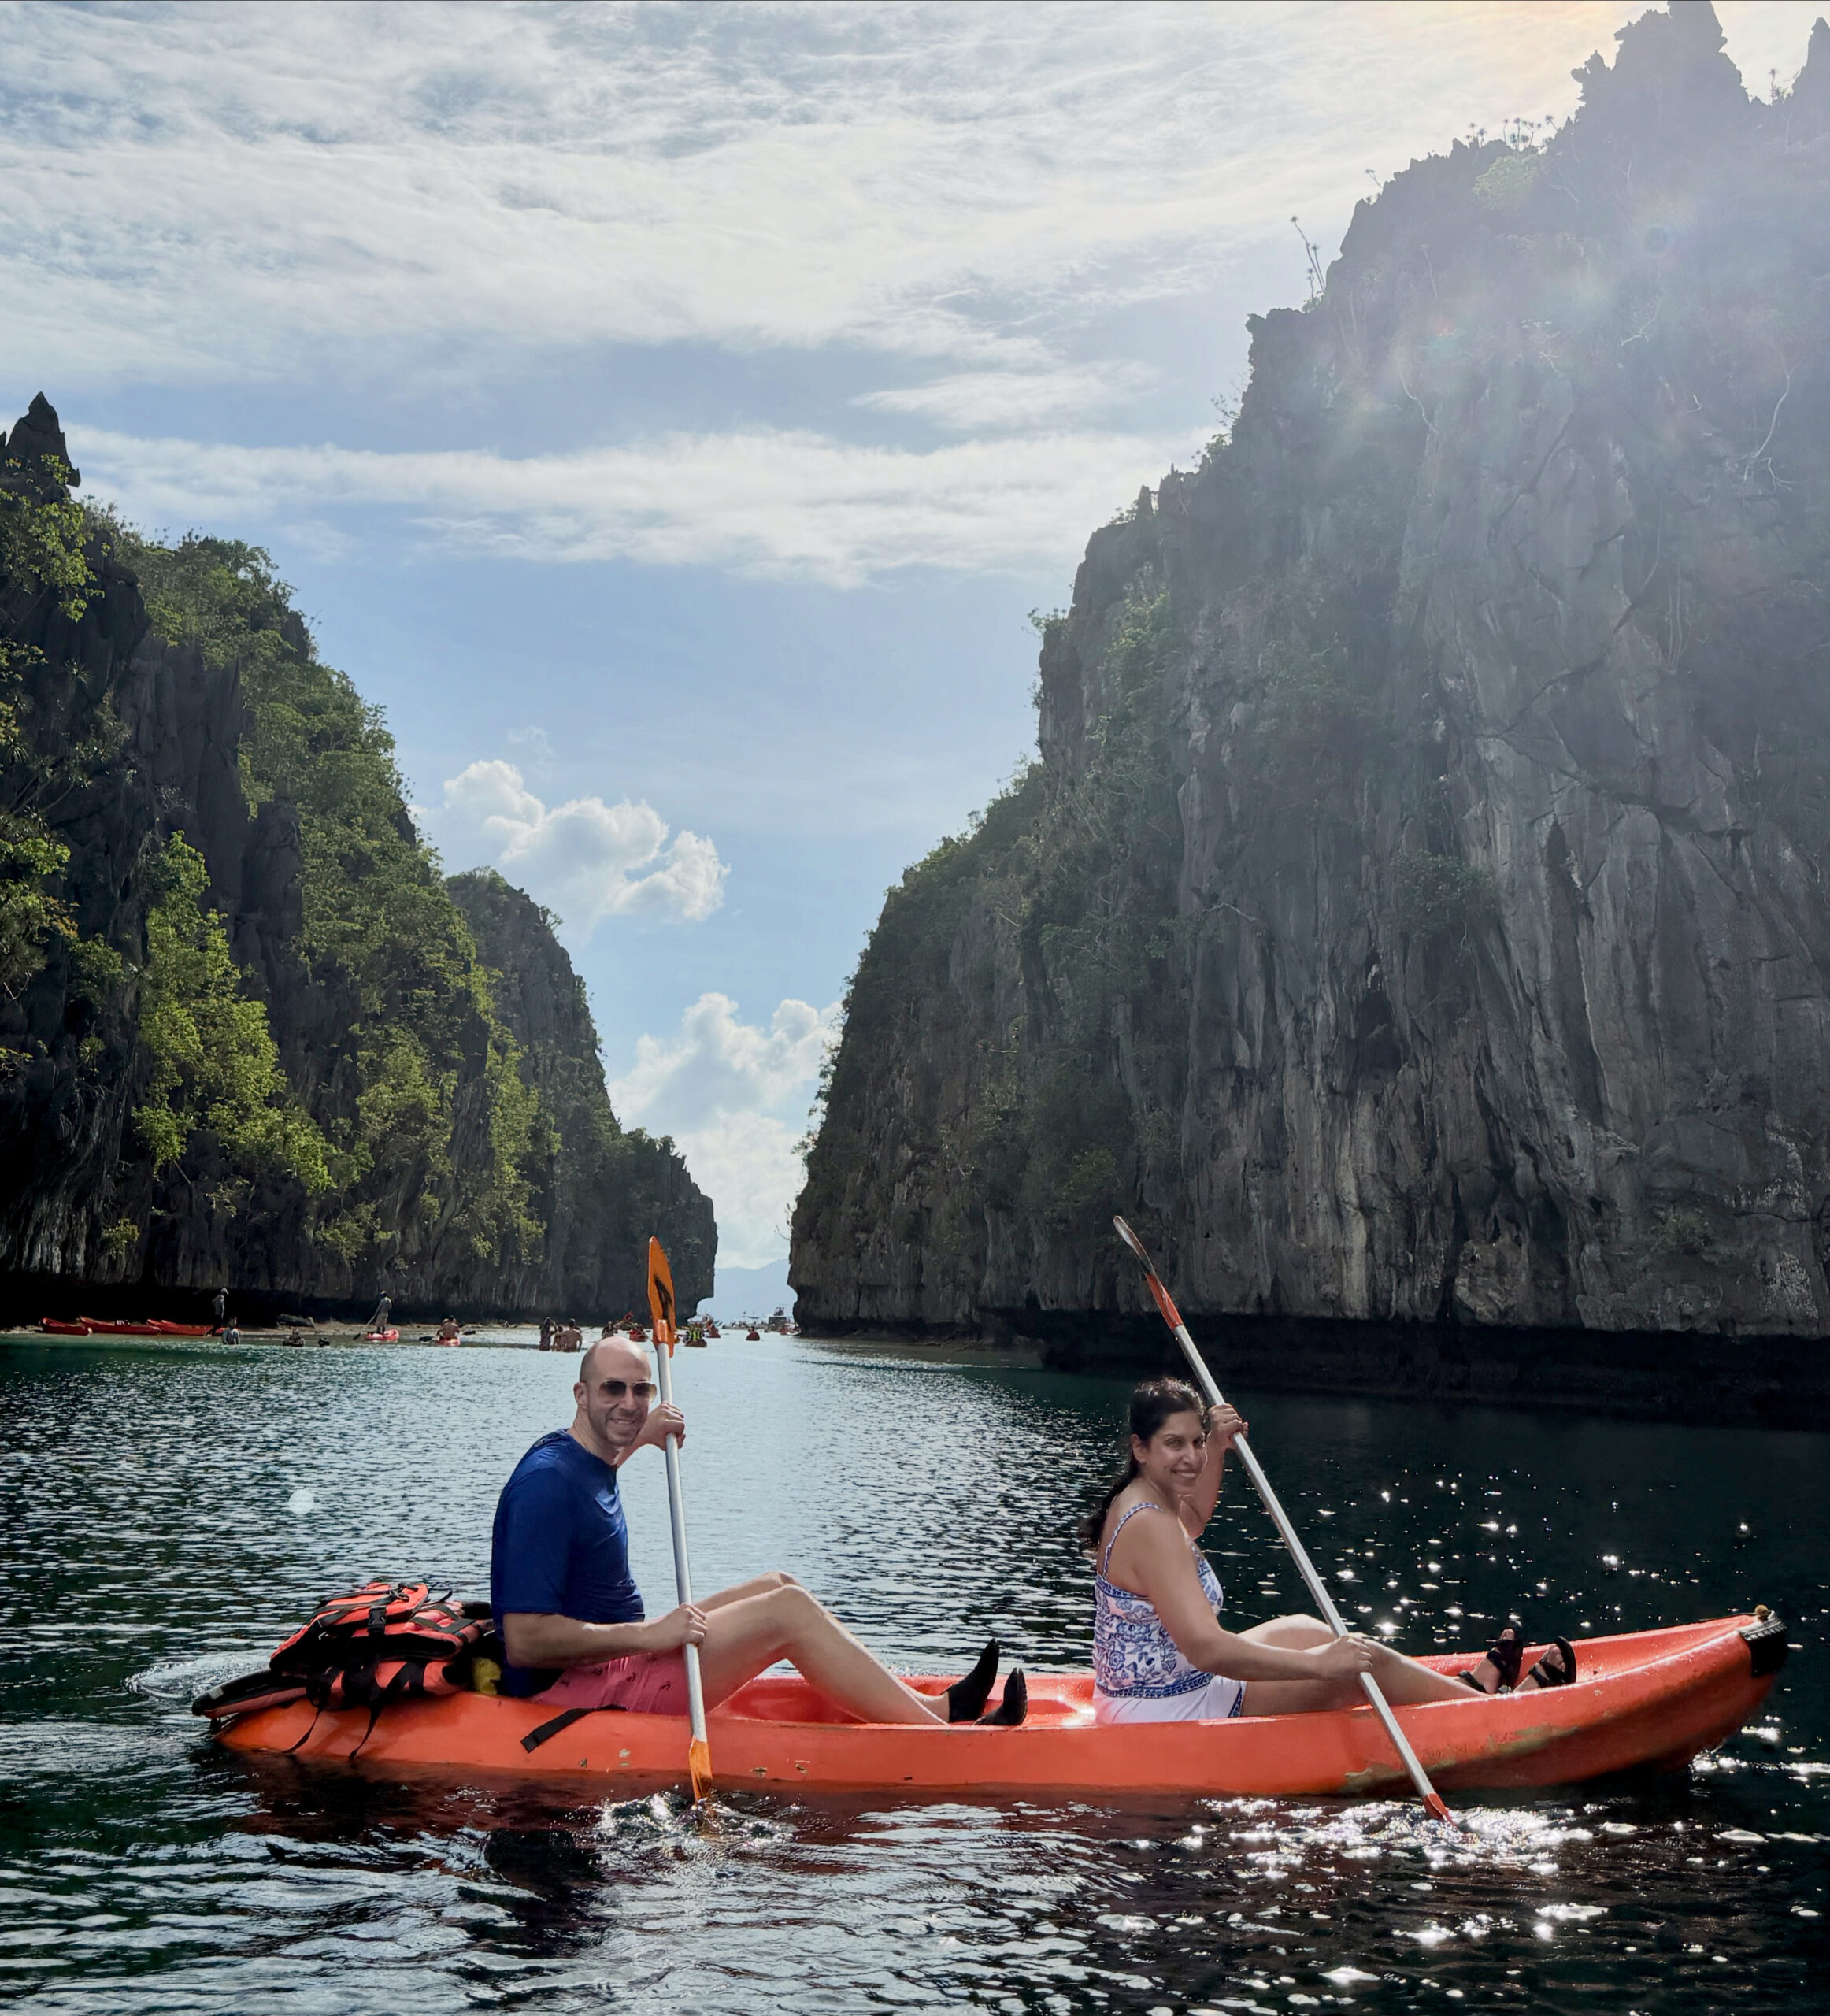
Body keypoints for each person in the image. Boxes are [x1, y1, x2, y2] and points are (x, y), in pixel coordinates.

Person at [491, 1335, 1027, 1727]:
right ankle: (941, 1739)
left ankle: (937, 1708)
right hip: (578, 1688)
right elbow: (523, 1641)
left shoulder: (580, 1455)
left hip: (619, 1657)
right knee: (786, 1615)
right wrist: (651, 1635)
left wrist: (640, 1439)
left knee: (779, 1584)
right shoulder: (546, 1486)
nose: (630, 1403)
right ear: (580, 1395)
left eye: (641, 1390)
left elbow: (594, 1478)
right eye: (613, 1390)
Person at [1084, 1379, 1574, 1725]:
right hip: (1163, 1707)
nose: (1191, 1457)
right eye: (1175, 1444)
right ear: (1140, 1447)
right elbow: (1208, 1648)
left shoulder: (1143, 1499)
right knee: (1360, 1663)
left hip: (1156, 1688)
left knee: (1308, 1629)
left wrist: (1217, 1446)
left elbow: (1191, 1523)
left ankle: (1465, 1692)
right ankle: (1487, 1713)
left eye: (1195, 1441)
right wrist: (1322, 1666)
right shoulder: (1149, 1523)